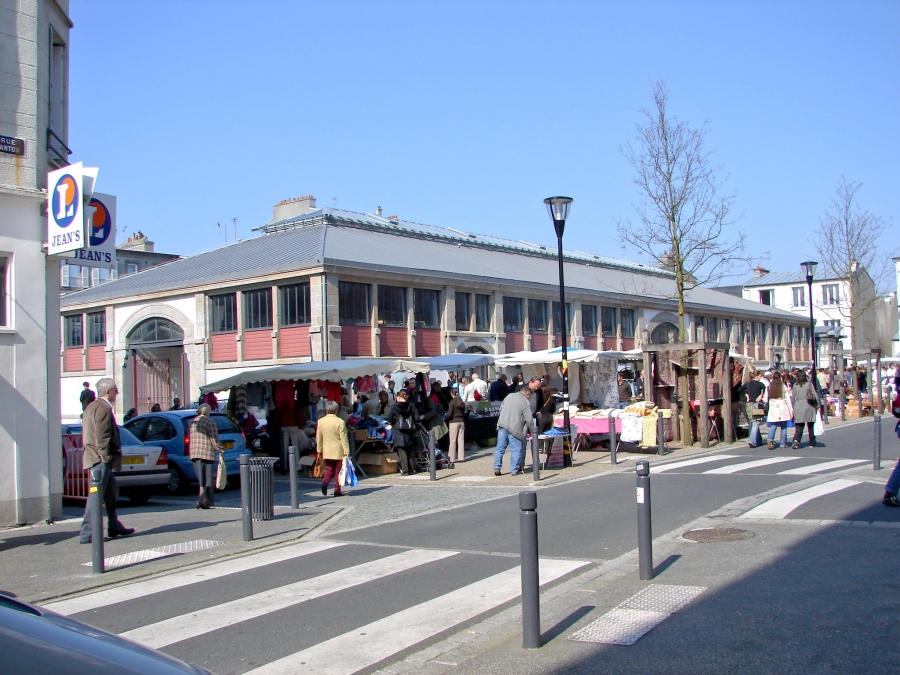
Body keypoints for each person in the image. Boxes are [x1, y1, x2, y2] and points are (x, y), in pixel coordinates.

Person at [79, 378, 134, 543]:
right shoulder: (102, 408)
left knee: (111, 491)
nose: (117, 393)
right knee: (96, 496)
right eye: (115, 390)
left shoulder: (93, 406)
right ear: (107, 392)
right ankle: (88, 533)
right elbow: (102, 436)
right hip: (99, 459)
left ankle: (114, 524)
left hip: (97, 458)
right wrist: (106, 457)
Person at [493, 386, 534, 476]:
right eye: (529, 396)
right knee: (516, 449)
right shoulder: (524, 402)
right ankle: (514, 470)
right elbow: (529, 419)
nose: (529, 398)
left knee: (500, 448)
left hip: (502, 424)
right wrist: (533, 430)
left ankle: (497, 468)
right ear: (527, 394)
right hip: (515, 427)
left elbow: (501, 409)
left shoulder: (509, 396)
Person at [188, 404, 223, 509]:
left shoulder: (192, 423)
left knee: (201, 479)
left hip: (194, 453)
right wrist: (220, 449)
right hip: (206, 453)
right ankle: (205, 500)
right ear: (208, 412)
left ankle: (201, 500)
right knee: (208, 480)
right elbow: (214, 439)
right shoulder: (210, 422)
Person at [316, 400, 350, 497]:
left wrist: (319, 450)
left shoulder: (321, 422)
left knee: (329, 468)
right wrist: (346, 451)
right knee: (338, 472)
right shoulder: (340, 422)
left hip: (327, 450)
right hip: (338, 450)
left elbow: (319, 437)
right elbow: (344, 438)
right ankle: (337, 490)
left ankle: (324, 483)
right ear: (336, 410)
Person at [388, 390, 419, 475]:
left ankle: (405, 470)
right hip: (409, 430)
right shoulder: (412, 405)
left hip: (399, 430)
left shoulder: (395, 407)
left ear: (398, 397)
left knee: (402, 451)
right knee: (410, 450)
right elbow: (417, 418)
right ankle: (412, 469)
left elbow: (389, 418)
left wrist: (394, 423)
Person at [790, 370, 819, 448]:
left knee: (799, 426)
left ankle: (796, 440)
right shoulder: (809, 384)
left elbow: (793, 398)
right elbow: (815, 395)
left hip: (798, 405)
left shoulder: (795, 385)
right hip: (809, 405)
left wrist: (792, 408)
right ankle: (812, 442)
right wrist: (818, 405)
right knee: (810, 426)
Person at [737, 371, 766, 447]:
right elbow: (765, 391)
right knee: (756, 422)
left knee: (753, 422)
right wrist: (761, 396)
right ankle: (752, 441)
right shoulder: (760, 384)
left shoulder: (748, 384)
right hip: (757, 404)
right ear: (758, 376)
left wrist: (745, 394)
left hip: (749, 404)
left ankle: (759, 440)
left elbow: (739, 389)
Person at [764, 374, 793, 450]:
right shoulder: (783, 386)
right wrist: (791, 411)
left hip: (773, 407)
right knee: (783, 426)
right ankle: (783, 443)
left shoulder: (769, 386)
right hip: (782, 407)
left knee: (773, 425)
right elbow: (787, 399)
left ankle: (770, 439)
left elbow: (765, 399)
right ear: (780, 378)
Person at [446, 388, 467, 463]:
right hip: (461, 421)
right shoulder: (461, 402)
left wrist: (445, 415)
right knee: (461, 440)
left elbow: (449, 414)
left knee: (452, 441)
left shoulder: (451, 402)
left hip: (453, 422)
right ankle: (461, 458)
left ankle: (452, 458)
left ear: (451, 393)